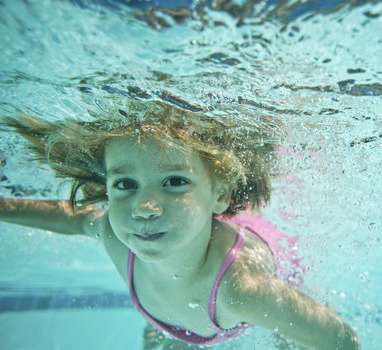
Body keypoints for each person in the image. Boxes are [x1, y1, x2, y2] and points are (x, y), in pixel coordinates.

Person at [0, 95, 360, 350]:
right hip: (177, 319)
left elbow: (343, 340)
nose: (144, 207)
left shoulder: (244, 291)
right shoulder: (114, 232)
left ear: (219, 196)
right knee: (160, 341)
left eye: (174, 182)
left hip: (252, 263)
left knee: (292, 343)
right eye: (125, 184)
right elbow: (72, 218)